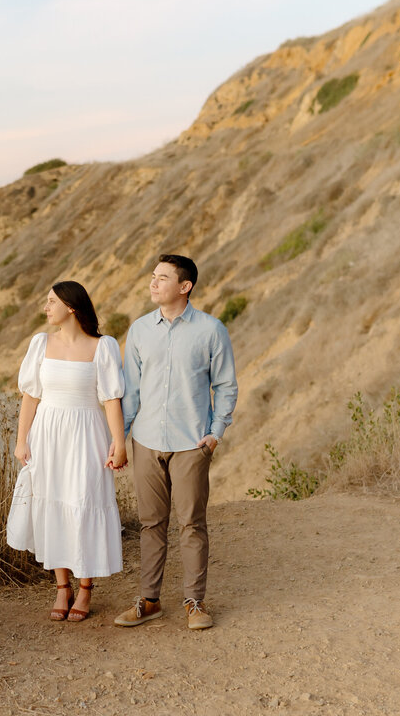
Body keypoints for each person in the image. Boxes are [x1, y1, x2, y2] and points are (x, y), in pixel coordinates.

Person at [114, 254, 238, 630]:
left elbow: (226, 385)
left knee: (191, 524)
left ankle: (194, 603)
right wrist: (120, 439)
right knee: (151, 523)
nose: (153, 283)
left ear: (185, 287)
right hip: (147, 442)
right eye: (153, 276)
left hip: (191, 444)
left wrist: (215, 434)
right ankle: (150, 601)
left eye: (162, 278)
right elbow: (130, 392)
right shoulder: (138, 331)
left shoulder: (211, 330)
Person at [6, 280, 127, 622]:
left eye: (51, 302)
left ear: (71, 307)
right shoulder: (40, 343)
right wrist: (21, 440)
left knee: (83, 502)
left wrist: (119, 444)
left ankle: (86, 587)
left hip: (87, 435)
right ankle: (62, 586)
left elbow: (111, 399)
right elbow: (31, 396)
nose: (45, 308)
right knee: (51, 504)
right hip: (47, 435)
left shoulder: (103, 346)